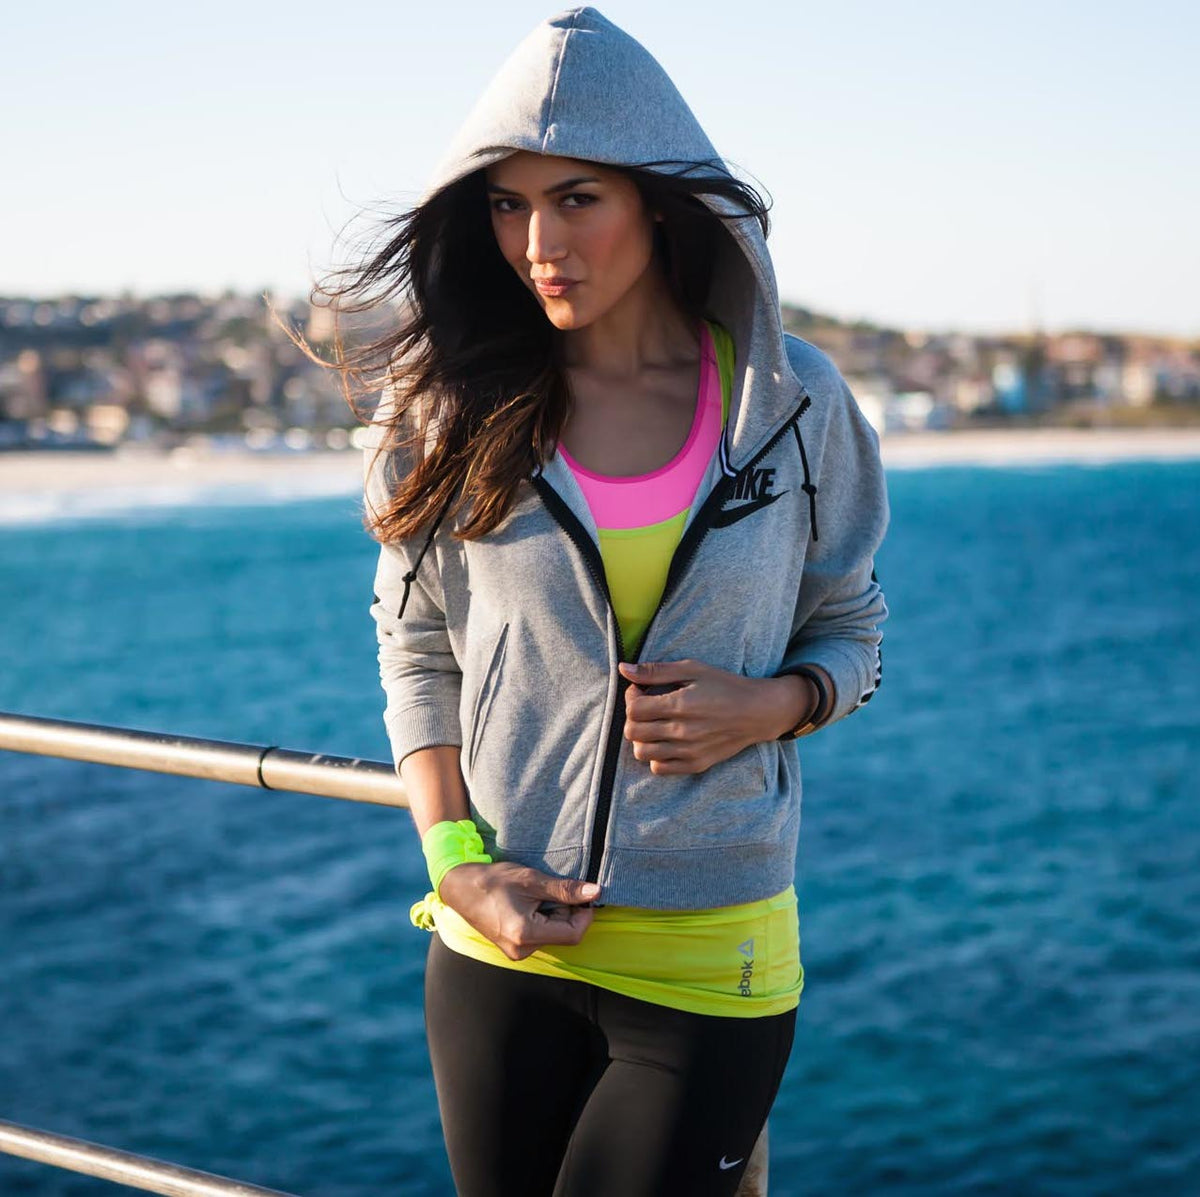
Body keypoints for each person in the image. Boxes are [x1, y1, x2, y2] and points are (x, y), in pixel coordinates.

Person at [353, 7, 890, 1194]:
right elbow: (418, 648)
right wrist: (454, 863)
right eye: (506, 203)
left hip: (714, 954)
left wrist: (776, 704)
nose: (538, 241)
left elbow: (855, 630)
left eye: (577, 198)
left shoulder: (792, 404)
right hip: (496, 940)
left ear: (657, 199)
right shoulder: (446, 408)